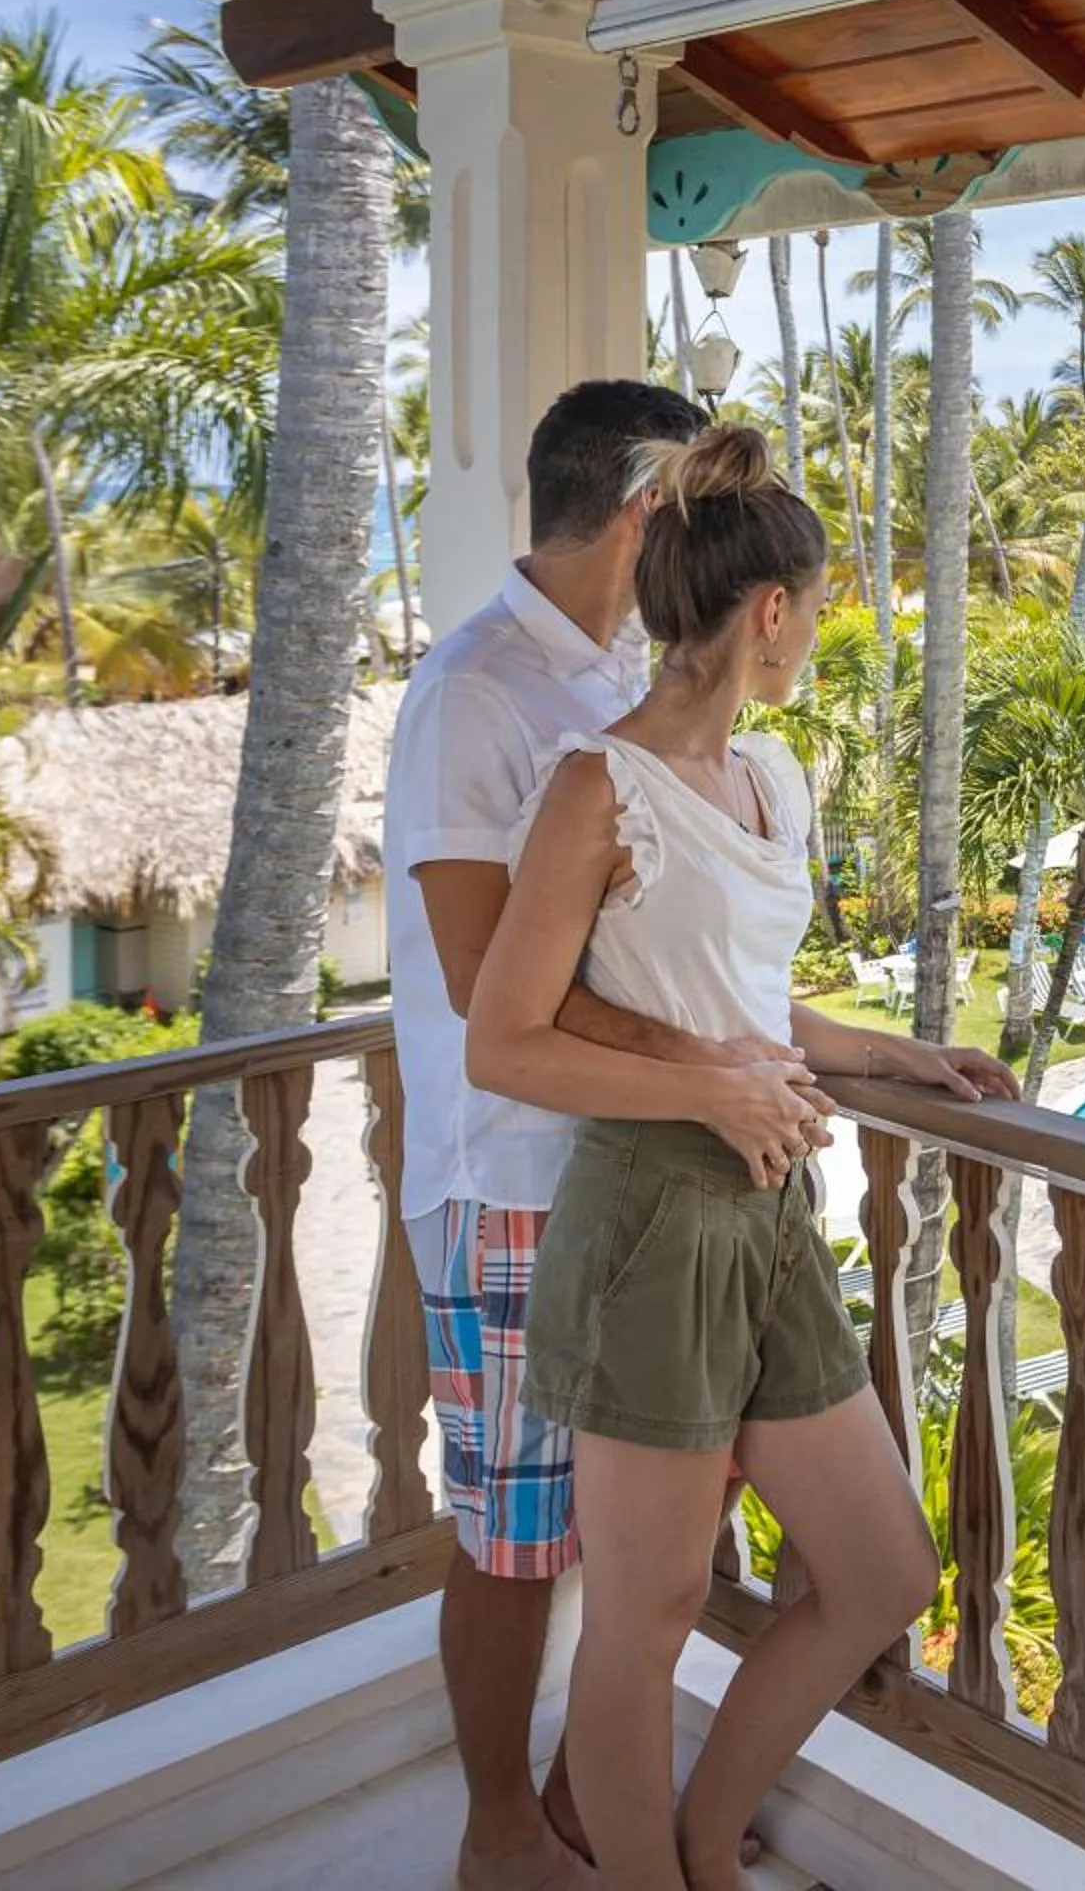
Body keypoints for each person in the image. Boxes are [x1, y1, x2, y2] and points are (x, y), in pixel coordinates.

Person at [468, 426, 1016, 1891]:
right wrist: (710, 1097)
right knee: (641, 1625)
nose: (818, 633)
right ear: (769, 610)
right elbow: (504, 1040)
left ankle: (706, 1836)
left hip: (768, 1219)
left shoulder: (770, 780)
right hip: (650, 1223)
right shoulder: (598, 786)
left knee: (883, 1571)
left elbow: (739, 1001)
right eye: (821, 606)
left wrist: (900, 1055)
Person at [387, 380, 830, 1891]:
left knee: (638, 1553)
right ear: (651, 504)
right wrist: (719, 1069)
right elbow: (484, 984)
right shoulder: (483, 693)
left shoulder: (619, 691)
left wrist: (783, 1060)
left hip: (630, 1169)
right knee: (520, 1542)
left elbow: (662, 957)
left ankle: (600, 1810)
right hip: (509, 1170)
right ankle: (503, 1827)